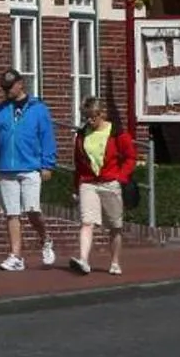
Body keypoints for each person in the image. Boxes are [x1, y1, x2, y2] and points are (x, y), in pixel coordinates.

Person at [0, 68, 59, 271]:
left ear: (20, 84)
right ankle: (16, 256)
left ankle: (45, 239)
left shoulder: (38, 108)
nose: (7, 91)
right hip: (6, 167)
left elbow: (47, 137)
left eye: (10, 87)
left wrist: (47, 164)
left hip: (30, 167)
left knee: (32, 210)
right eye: (4, 88)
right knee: (12, 213)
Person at [70, 95, 134, 275]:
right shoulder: (82, 135)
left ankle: (114, 262)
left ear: (102, 114)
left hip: (110, 182)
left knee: (115, 226)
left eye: (93, 116)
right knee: (87, 222)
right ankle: (83, 260)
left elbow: (130, 157)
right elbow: (78, 164)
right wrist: (76, 187)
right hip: (88, 183)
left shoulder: (117, 133)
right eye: (86, 117)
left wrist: (121, 177)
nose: (90, 121)